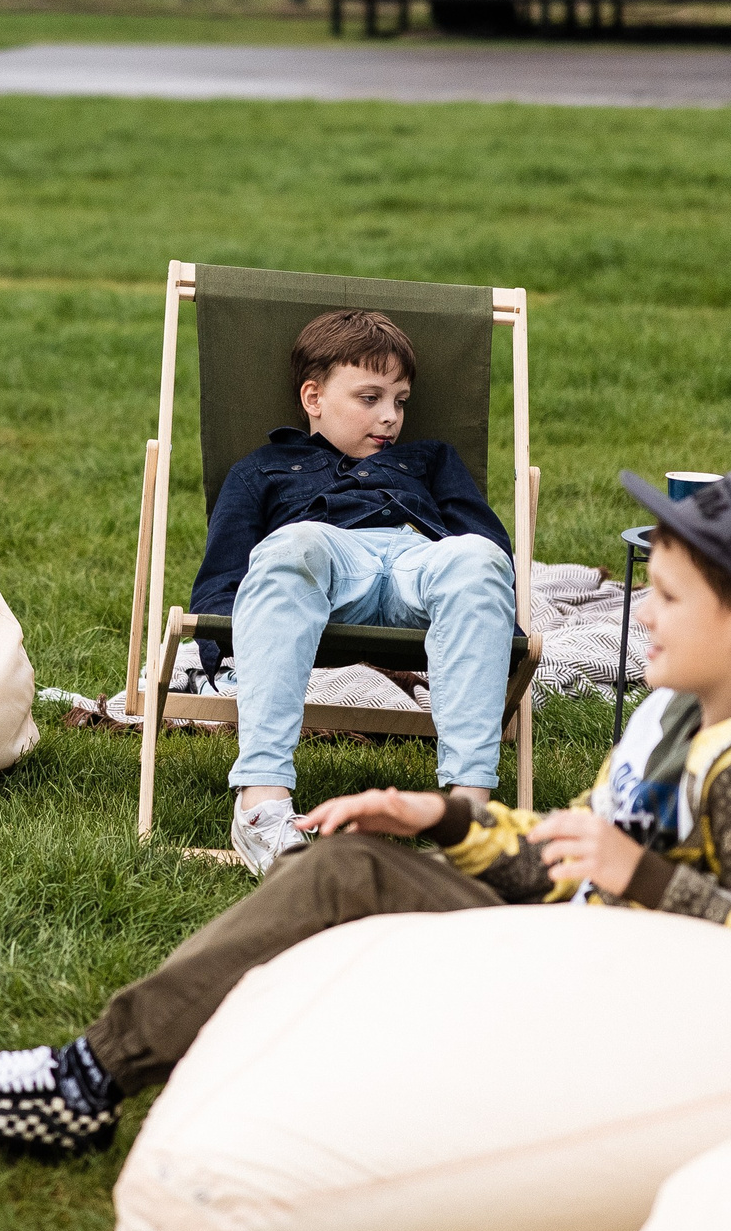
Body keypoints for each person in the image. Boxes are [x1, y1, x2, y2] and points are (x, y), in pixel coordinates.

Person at [0, 468, 731, 1160]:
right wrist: (440, 819)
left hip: (618, 1001)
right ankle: (208, 1086)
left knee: (339, 878)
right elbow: (560, 856)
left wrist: (641, 876)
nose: (641, 613)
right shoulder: (679, 717)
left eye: (669, 598)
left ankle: (86, 1081)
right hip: (587, 944)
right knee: (340, 854)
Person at [185, 309, 516, 874]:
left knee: (479, 557)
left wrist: (498, 625)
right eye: (370, 398)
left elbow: (483, 540)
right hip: (328, 565)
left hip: (419, 562)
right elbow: (224, 569)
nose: (390, 417)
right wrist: (222, 645)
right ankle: (262, 805)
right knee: (294, 543)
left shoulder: (430, 459)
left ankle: (467, 816)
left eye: (401, 401)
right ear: (313, 398)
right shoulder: (263, 469)